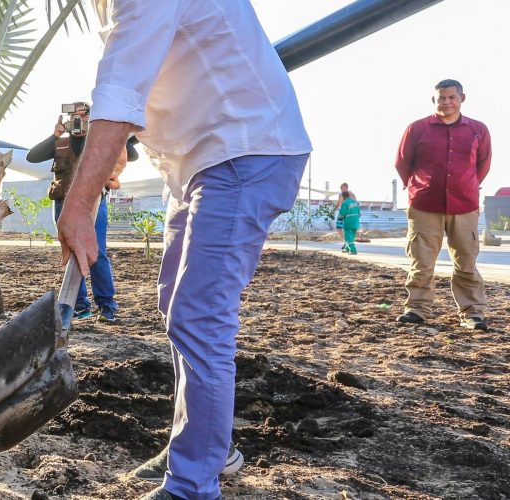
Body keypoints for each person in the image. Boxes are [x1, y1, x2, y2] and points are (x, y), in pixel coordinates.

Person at [55, 2, 312, 499]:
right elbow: (148, 83)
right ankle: (209, 448)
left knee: (198, 315)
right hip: (198, 160)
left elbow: (122, 91)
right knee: (176, 302)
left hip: (244, 149)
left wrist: (81, 202)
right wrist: (109, 165)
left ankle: (193, 485)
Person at [394, 79, 491, 331]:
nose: (446, 102)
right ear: (434, 100)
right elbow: (402, 163)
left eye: (451, 97)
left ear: (462, 98)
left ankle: (472, 313)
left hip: (465, 206)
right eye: (441, 98)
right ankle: (416, 310)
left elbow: (482, 165)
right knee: (422, 261)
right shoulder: (417, 128)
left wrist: (466, 185)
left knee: (466, 262)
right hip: (425, 206)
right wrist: (418, 187)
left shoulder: (478, 130)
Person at [25, 102, 134, 321]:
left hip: (94, 202)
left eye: (84, 116)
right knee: (72, 250)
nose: (78, 120)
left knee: (98, 251)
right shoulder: (61, 142)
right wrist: (56, 134)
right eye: (74, 116)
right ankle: (80, 306)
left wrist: (101, 129)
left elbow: (131, 153)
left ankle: (107, 305)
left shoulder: (99, 142)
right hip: (62, 203)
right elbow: (32, 156)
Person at [330, 183, 353, 249]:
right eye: (341, 189)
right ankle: (346, 242)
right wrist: (333, 211)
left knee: (346, 229)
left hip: (347, 214)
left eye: (343, 188)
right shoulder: (341, 194)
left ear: (346, 187)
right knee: (339, 228)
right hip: (344, 213)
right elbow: (338, 204)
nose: (342, 190)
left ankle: (348, 243)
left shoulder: (351, 194)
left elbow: (355, 203)